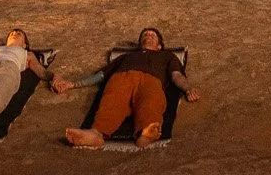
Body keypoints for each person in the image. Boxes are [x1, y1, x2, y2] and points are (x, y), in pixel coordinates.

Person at [64, 26, 200, 149]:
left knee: (151, 100)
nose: (148, 35)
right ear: (140, 43)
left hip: (151, 80)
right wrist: (73, 84)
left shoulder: (167, 56)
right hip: (122, 77)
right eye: (145, 34)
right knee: (111, 101)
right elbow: (100, 75)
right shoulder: (126, 57)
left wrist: (188, 89)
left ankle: (146, 134)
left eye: (153, 35)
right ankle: (96, 134)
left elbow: (176, 75)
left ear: (159, 46)